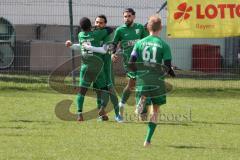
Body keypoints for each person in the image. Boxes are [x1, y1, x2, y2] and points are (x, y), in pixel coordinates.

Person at [129, 15, 175, 147]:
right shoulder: (164, 45)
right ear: (160, 28)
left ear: (148, 27)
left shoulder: (139, 43)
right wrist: (171, 73)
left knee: (142, 115)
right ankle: (147, 141)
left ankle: (142, 102)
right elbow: (167, 67)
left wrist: (138, 71)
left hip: (142, 79)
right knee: (155, 111)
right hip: (157, 81)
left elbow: (131, 63)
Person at [65, 17, 113, 122]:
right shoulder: (96, 34)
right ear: (91, 25)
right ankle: (102, 108)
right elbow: (110, 30)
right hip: (97, 67)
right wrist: (99, 28)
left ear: (81, 27)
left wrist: (71, 45)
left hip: (85, 68)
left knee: (82, 91)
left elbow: (81, 46)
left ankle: (79, 114)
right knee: (104, 90)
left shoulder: (80, 35)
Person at [112, 8, 149, 119]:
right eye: (125, 16)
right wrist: (112, 53)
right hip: (129, 63)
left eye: (129, 16)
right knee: (132, 85)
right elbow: (114, 44)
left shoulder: (140, 28)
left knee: (142, 85)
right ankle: (122, 105)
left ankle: (142, 111)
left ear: (133, 16)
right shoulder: (120, 30)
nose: (126, 18)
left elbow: (147, 42)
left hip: (142, 62)